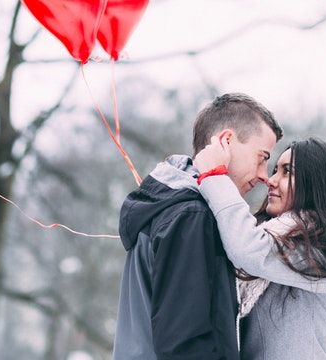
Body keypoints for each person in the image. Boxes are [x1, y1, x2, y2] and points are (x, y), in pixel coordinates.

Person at [112, 93, 283, 359]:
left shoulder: (170, 205)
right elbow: (185, 340)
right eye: (262, 157)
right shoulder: (191, 215)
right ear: (226, 141)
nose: (264, 175)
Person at [193, 137, 326, 359]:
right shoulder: (274, 237)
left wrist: (215, 177)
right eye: (275, 170)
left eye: (287, 172)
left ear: (318, 184)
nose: (271, 180)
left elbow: (248, 250)